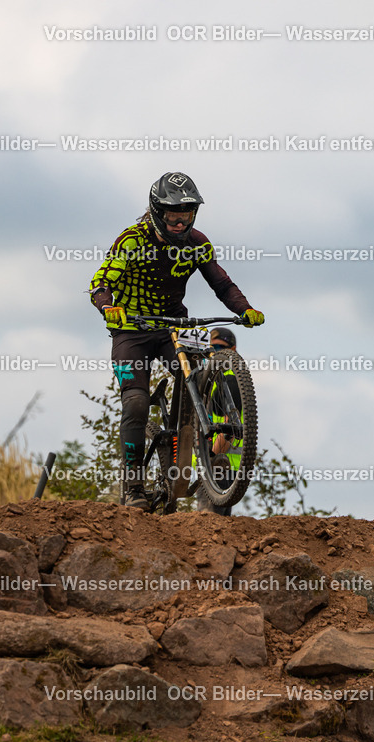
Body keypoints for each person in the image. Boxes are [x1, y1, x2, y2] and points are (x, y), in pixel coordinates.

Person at [89, 171, 264, 510]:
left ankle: (207, 447)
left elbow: (222, 285)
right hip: (131, 330)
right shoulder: (132, 241)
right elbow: (99, 282)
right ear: (157, 211)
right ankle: (134, 486)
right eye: (173, 215)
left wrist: (245, 309)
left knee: (200, 373)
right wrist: (108, 307)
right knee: (137, 403)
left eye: (186, 215)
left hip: (171, 327)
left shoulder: (197, 243)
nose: (180, 222)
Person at [195, 327, 241, 517]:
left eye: (220, 347)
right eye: (211, 347)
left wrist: (212, 456)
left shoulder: (231, 380)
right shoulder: (212, 380)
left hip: (220, 463)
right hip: (218, 465)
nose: (214, 351)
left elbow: (232, 425)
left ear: (233, 349)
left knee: (208, 520)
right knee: (220, 525)